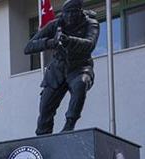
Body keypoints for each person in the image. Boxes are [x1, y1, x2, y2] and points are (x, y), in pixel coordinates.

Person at [24, 0, 99, 135]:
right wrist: (51, 42)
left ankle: (69, 125)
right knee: (45, 110)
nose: (69, 16)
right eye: (67, 13)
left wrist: (69, 40)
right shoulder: (55, 24)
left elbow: (90, 44)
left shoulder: (90, 23)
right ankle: (43, 140)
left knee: (80, 84)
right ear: (62, 13)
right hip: (57, 70)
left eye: (73, 12)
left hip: (79, 67)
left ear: (80, 12)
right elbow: (29, 47)